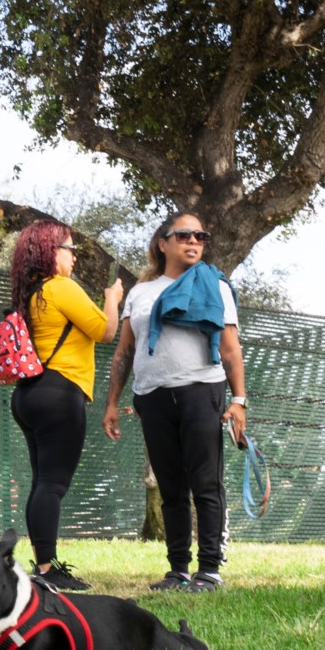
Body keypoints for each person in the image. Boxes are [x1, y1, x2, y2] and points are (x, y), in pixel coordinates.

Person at [103, 212, 247, 592]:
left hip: (202, 391)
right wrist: (112, 403)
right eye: (184, 235)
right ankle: (178, 570)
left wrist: (239, 401)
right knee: (171, 487)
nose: (194, 241)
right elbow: (125, 351)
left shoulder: (213, 287)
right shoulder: (140, 293)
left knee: (205, 482)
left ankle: (210, 569)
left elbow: (230, 349)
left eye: (200, 235)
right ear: (162, 243)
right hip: (152, 397)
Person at [8, 219, 124, 591]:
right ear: (50, 252)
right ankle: (46, 570)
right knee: (53, 484)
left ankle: (43, 565)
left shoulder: (32, 293)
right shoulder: (61, 287)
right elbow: (105, 331)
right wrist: (112, 298)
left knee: (42, 481)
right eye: (70, 249)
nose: (74, 257)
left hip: (29, 393)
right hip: (60, 392)